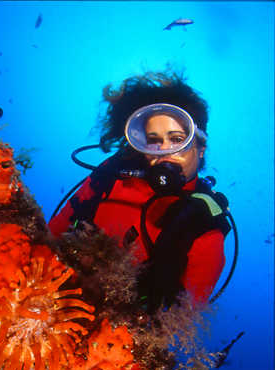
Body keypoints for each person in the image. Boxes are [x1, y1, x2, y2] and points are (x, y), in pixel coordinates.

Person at [48, 70, 231, 313]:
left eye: (177, 139)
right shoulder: (113, 174)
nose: (164, 151)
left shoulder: (204, 229)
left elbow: (177, 323)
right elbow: (53, 234)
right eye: (153, 140)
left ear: (200, 147)